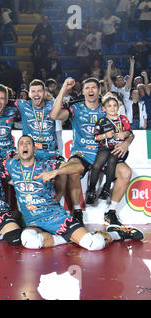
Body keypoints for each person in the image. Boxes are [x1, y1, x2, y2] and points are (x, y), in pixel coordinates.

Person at [4, 135, 143, 251]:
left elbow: (78, 167)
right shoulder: (12, 166)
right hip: (34, 222)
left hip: (56, 217)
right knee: (28, 241)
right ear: (18, 149)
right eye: (21, 143)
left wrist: (56, 171)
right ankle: (66, 238)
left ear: (34, 149)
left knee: (94, 245)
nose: (24, 146)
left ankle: (116, 234)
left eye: (28, 143)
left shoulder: (46, 165)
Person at [51, 77, 135, 226]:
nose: (91, 91)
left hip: (106, 152)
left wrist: (126, 143)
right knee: (71, 169)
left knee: (125, 172)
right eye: (87, 88)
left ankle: (111, 213)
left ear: (99, 90)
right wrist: (63, 89)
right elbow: (54, 115)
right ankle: (77, 212)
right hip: (82, 153)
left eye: (94, 88)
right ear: (82, 91)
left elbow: (129, 132)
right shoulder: (75, 108)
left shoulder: (108, 107)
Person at [86, 95, 132, 205]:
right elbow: (96, 137)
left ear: (118, 107)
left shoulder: (123, 119)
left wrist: (125, 133)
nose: (112, 108)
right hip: (105, 147)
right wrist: (105, 135)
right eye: (109, 106)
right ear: (104, 109)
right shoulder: (101, 121)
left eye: (115, 105)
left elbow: (130, 132)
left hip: (118, 147)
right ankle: (91, 190)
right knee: (97, 165)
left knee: (112, 161)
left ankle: (106, 188)